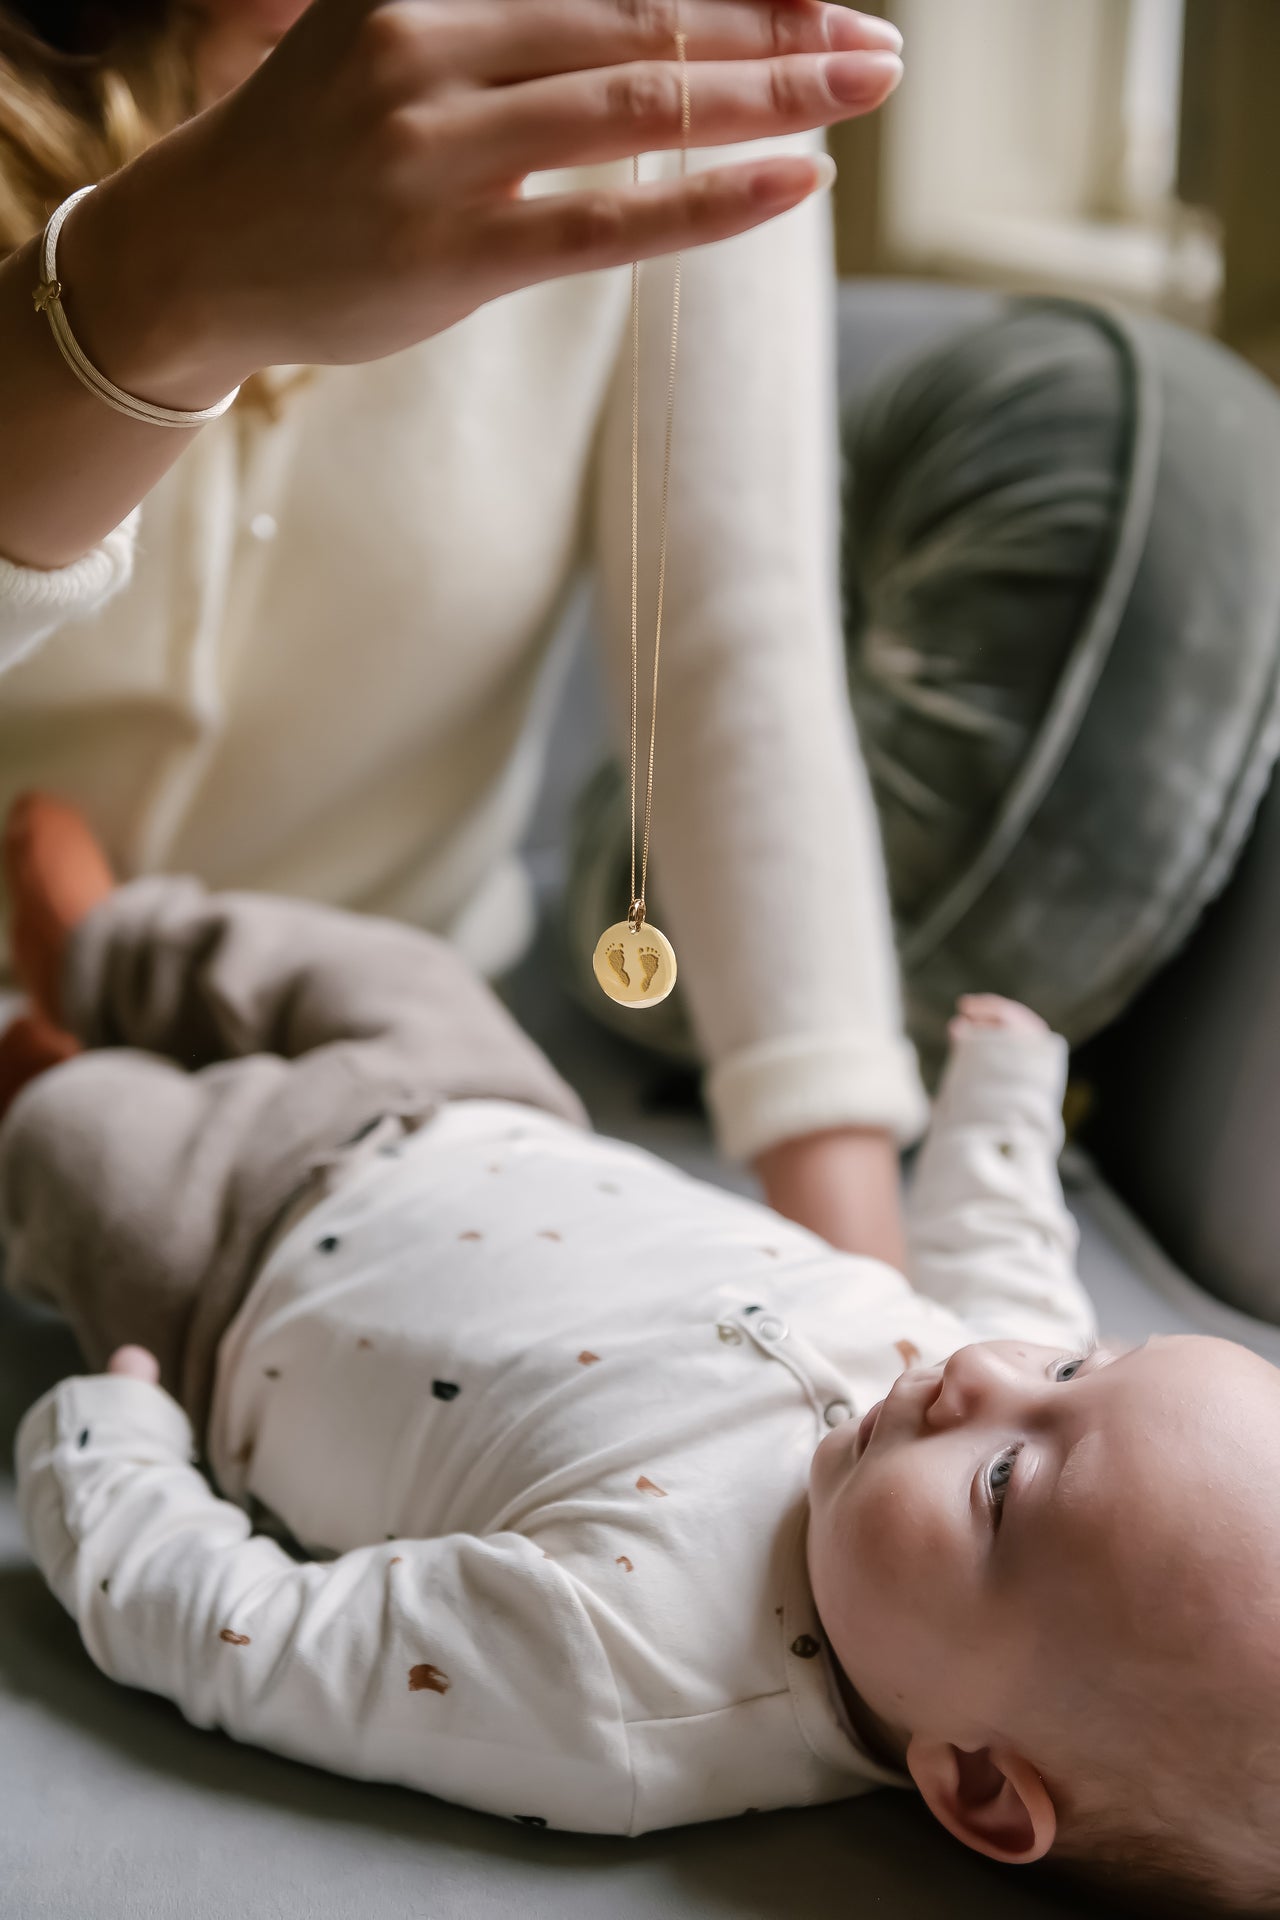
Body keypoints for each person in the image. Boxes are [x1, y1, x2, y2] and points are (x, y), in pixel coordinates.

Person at [9, 796, 1280, 1918]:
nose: (985, 1380)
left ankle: (42, 1066)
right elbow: (1008, 1256)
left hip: (233, 1264)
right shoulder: (978, 1381)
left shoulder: (626, 1690)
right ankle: (111, 949)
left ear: (981, 1782)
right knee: (392, 972)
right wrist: (1003, 1099)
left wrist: (112, 1465)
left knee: (85, 1147)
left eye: (1001, 1488)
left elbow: (271, 1647)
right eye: (1077, 1370)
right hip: (483, 1104)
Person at [0, 0, 923, 1268]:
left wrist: (873, 1295)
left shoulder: (665, 66)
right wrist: (147, 287)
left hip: (381, 1093)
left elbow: (736, 663)